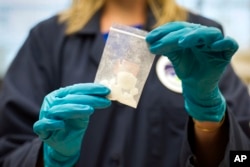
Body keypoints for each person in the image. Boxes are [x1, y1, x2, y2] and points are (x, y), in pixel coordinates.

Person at [0, 0, 249, 166]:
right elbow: (7, 154)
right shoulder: (47, 39)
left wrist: (209, 119)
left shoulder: (198, 39)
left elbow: (242, 158)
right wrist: (50, 156)